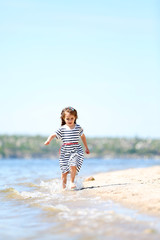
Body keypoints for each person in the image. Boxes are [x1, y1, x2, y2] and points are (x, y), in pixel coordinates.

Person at [44, 106, 90, 190]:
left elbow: (83, 137)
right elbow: (53, 134)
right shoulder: (62, 129)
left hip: (76, 149)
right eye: (67, 118)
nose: (70, 120)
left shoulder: (78, 127)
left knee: (73, 164)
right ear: (64, 118)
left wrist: (86, 147)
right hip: (65, 151)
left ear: (75, 117)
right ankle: (63, 188)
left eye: (71, 118)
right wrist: (48, 140)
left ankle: (72, 182)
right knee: (64, 171)